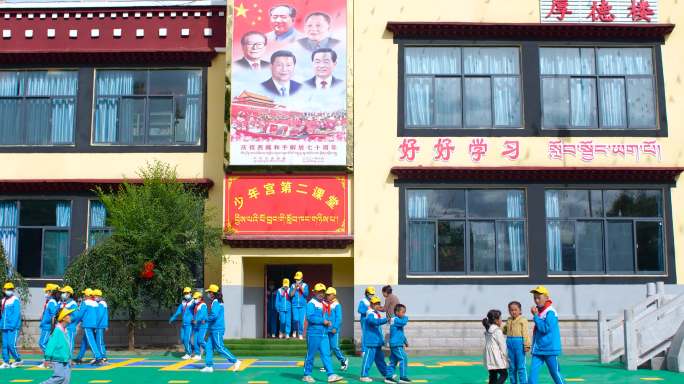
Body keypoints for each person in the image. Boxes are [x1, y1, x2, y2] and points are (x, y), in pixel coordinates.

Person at [301, 283, 343, 383]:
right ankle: (307, 375)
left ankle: (331, 375)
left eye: (323, 292)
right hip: (313, 333)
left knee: (326, 354)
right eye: (319, 292)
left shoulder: (324, 303)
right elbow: (310, 317)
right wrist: (323, 321)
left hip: (324, 333)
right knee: (311, 354)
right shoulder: (311, 303)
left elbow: (328, 315)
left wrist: (331, 324)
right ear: (314, 292)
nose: (321, 294)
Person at [201, 284, 242, 373]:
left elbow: (214, 315)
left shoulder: (216, 302)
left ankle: (235, 361)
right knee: (208, 347)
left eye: (209, 292)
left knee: (220, 347)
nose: (208, 293)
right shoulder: (217, 302)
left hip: (217, 329)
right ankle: (208, 366)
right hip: (214, 328)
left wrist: (206, 319)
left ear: (213, 293)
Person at [528, 286, 564, 384]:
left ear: (547, 298)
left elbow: (545, 328)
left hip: (549, 349)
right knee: (532, 374)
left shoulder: (550, 312)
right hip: (538, 349)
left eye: (539, 297)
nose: (536, 300)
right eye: (535, 298)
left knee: (555, 373)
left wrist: (535, 316)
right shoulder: (540, 311)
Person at [360, 296, 394, 383]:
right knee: (368, 359)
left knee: (380, 360)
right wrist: (385, 319)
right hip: (371, 341)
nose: (378, 305)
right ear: (371, 304)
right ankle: (364, 375)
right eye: (376, 304)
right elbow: (373, 322)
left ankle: (387, 374)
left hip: (377, 342)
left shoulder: (375, 313)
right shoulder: (370, 313)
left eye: (378, 303)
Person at [41, 308, 76, 384]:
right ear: (63, 318)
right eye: (68, 315)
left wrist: (70, 358)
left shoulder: (65, 330)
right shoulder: (57, 331)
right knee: (59, 377)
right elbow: (50, 345)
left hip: (65, 360)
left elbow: (67, 346)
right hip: (58, 360)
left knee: (66, 380)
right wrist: (47, 358)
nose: (70, 317)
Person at [74, 288, 104, 366]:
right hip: (94, 324)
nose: (83, 296)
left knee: (91, 341)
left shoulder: (85, 303)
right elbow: (98, 315)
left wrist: (75, 323)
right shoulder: (96, 303)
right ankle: (79, 358)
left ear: (87, 295)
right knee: (85, 341)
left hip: (87, 324)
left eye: (84, 295)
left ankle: (98, 357)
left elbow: (80, 314)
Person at [503, 301, 530, 384]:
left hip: (519, 344)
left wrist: (527, 345)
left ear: (520, 310)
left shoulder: (523, 320)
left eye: (515, 310)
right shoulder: (508, 320)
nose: (513, 312)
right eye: (511, 310)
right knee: (511, 367)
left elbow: (525, 333)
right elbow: (505, 331)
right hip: (510, 344)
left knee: (521, 367)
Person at [323, 287, 348, 371]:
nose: (327, 296)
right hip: (326, 329)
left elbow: (339, 318)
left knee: (334, 347)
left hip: (333, 330)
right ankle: (327, 365)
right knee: (327, 348)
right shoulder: (325, 303)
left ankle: (343, 360)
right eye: (326, 294)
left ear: (334, 295)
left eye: (329, 294)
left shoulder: (337, 305)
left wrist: (335, 327)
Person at [38, 283, 60, 369]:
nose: (46, 293)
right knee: (45, 343)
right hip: (46, 325)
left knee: (42, 343)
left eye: (47, 291)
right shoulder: (50, 302)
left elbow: (53, 315)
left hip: (47, 326)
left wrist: (52, 328)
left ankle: (49, 359)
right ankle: (48, 359)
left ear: (51, 292)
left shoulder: (52, 302)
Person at [169, 287, 195, 359]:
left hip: (190, 324)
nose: (186, 294)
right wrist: (173, 318)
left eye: (187, 293)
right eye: (185, 293)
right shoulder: (183, 302)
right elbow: (178, 311)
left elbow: (197, 311)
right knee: (183, 339)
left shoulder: (193, 302)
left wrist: (196, 319)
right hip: (184, 324)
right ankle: (193, 349)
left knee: (187, 338)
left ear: (191, 293)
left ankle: (188, 353)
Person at [0, 282, 22, 369]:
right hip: (4, 327)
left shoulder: (15, 300)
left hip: (13, 327)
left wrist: (12, 325)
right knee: (4, 345)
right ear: (4, 290)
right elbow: (2, 314)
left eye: (11, 289)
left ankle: (18, 360)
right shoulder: (3, 300)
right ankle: (6, 361)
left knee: (11, 344)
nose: (9, 291)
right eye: (7, 289)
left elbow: (17, 314)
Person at [483, 309, 508, 384]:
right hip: (496, 357)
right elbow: (502, 346)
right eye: (500, 318)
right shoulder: (497, 331)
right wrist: (506, 356)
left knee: (493, 376)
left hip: (488, 356)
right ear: (496, 320)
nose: (501, 320)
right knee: (504, 374)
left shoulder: (488, 330)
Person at [388, 304, 410, 384]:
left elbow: (400, 333)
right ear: (397, 312)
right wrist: (406, 318)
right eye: (403, 312)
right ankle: (403, 377)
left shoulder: (398, 320)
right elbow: (403, 322)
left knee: (393, 361)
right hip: (396, 344)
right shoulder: (395, 319)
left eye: (405, 312)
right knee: (403, 358)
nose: (404, 314)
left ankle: (388, 377)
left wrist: (405, 341)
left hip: (396, 344)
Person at [57, 286, 79, 356]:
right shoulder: (60, 302)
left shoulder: (73, 303)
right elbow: (57, 312)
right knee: (60, 342)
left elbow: (75, 315)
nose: (62, 294)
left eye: (64, 292)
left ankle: (69, 358)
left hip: (70, 327)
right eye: (62, 292)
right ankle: (61, 357)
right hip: (61, 326)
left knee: (69, 343)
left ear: (69, 294)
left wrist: (68, 319)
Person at [290, 271, 309, 340]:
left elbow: (306, 294)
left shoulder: (305, 285)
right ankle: (294, 330)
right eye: (296, 279)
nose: (297, 280)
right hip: (295, 305)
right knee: (295, 319)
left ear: (301, 279)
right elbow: (291, 295)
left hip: (303, 306)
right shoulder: (292, 285)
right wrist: (295, 288)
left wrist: (300, 287)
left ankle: (300, 333)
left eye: (298, 279)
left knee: (301, 321)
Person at [357, 286, 376, 353]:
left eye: (373, 294)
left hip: (371, 319)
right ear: (367, 293)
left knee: (371, 334)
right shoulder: (363, 301)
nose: (372, 295)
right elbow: (359, 310)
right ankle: (364, 351)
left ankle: (370, 350)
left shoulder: (373, 300)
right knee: (365, 334)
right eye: (371, 294)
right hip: (364, 320)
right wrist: (367, 310)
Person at [191, 291, 208, 360]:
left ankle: (209, 350)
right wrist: (194, 320)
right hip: (197, 325)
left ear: (200, 298)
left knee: (200, 340)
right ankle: (198, 355)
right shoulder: (196, 305)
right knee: (195, 340)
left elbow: (202, 315)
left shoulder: (203, 305)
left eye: (196, 298)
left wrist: (196, 320)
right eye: (194, 298)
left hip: (202, 325)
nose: (194, 299)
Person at [93, 289, 108, 362]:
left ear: (98, 296)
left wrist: (95, 325)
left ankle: (103, 356)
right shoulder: (100, 303)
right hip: (99, 325)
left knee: (99, 341)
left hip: (99, 325)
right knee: (98, 341)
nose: (94, 297)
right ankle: (100, 356)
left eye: (95, 296)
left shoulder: (102, 303)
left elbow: (99, 315)